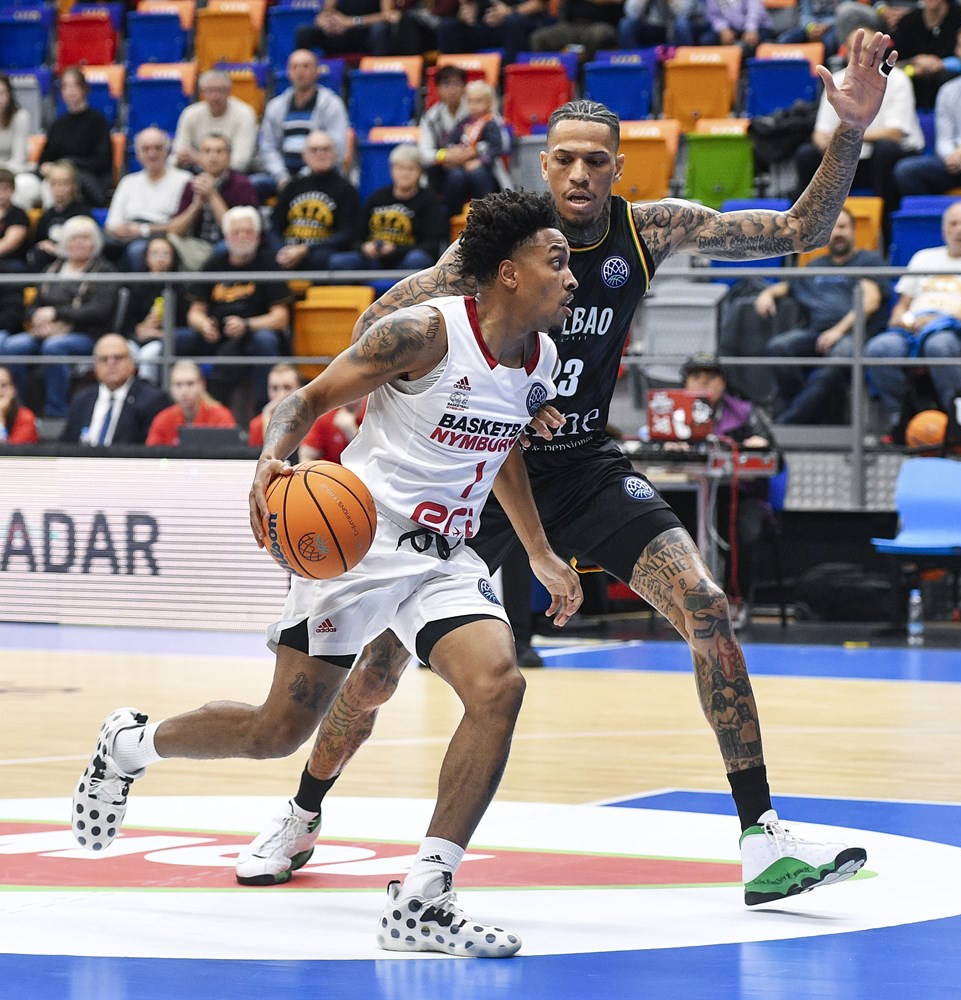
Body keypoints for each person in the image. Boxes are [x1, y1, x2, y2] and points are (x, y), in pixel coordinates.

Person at [236, 31, 892, 903]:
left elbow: (800, 228)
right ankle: (302, 812)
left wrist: (849, 130)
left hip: (583, 468)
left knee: (705, 604)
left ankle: (761, 838)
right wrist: (464, 397)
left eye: (596, 161)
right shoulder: (490, 257)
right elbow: (376, 327)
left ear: (620, 169)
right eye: (565, 160)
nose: (580, 174)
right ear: (543, 166)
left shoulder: (648, 230)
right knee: (379, 672)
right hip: (476, 483)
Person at [72, 189, 583, 958]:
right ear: (509, 272)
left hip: (442, 558)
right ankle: (131, 745)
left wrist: (538, 550)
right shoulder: (424, 332)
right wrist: (270, 460)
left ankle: (424, 898)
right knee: (275, 732)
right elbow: (307, 398)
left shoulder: (540, 358)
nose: (572, 277)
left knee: (498, 687)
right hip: (356, 544)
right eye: (557, 261)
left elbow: (503, 441)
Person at [865, 200, 961, 431]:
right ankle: (902, 418)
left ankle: (956, 422)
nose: (959, 229)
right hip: (913, 329)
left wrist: (940, 321)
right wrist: (900, 317)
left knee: (938, 344)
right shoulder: (923, 258)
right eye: (953, 224)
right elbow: (903, 303)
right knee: (879, 349)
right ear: (944, 230)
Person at [678, 352, 780, 625]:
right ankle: (681, 603)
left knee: (745, 531)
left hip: (738, 498)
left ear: (723, 382)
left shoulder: (745, 413)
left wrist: (758, 445)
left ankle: (737, 600)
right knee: (666, 529)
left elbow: (776, 458)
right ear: (685, 382)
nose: (703, 383)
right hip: (691, 497)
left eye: (711, 376)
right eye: (696, 376)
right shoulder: (672, 413)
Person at [762, 207, 890, 424]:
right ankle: (807, 413)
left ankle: (789, 423)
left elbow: (870, 301)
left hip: (854, 334)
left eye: (842, 227)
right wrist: (768, 293)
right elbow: (788, 287)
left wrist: (837, 331)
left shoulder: (868, 261)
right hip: (815, 333)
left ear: (853, 231)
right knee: (778, 348)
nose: (837, 233)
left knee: (836, 362)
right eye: (831, 228)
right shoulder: (816, 265)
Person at [795, 25, 924, 240]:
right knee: (806, 155)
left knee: (885, 150)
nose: (863, 54)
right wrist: (825, 142)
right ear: (846, 51)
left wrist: (845, 136)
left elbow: (895, 133)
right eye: (857, 48)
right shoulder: (836, 79)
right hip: (851, 160)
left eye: (869, 48)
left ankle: (887, 232)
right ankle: (806, 233)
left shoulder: (897, 79)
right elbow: (820, 133)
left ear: (879, 52)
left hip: (886, 158)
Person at [0, 215, 116, 419]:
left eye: (85, 238)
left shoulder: (104, 271)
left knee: (53, 347)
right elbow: (33, 305)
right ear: (65, 243)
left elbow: (99, 311)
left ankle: (56, 411)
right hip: (45, 331)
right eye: (74, 238)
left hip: (86, 333)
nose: (79, 243)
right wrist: (37, 319)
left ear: (95, 243)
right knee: (12, 346)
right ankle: (19, 409)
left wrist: (56, 313)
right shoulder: (53, 269)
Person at [893, 22, 961, 227]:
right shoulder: (948, 91)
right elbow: (944, 138)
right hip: (955, 161)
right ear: (957, 50)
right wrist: (951, 156)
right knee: (906, 171)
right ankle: (931, 230)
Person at [185, 206, 292, 410]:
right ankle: (181, 408)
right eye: (236, 232)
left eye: (248, 231)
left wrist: (247, 324)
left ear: (258, 236)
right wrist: (203, 324)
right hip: (216, 335)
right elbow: (194, 312)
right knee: (179, 339)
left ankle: (265, 409)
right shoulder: (214, 264)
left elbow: (280, 317)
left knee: (265, 340)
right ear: (226, 236)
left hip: (252, 335)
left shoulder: (269, 264)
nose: (242, 236)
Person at [327, 144, 446, 273]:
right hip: (374, 259)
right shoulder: (378, 197)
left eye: (411, 169)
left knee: (417, 259)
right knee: (339, 261)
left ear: (420, 172)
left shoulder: (428, 200)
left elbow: (432, 245)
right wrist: (364, 247)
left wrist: (395, 250)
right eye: (400, 168)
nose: (405, 173)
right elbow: (356, 235)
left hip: (405, 260)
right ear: (391, 170)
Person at [254, 49, 350, 201]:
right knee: (249, 186)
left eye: (306, 66)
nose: (300, 71)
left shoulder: (332, 104)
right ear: (288, 72)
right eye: (295, 67)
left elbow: (337, 147)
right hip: (281, 178)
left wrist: (302, 180)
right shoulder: (275, 106)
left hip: (320, 176)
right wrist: (282, 177)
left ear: (317, 71)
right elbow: (267, 147)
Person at [270, 130, 363, 272]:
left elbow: (346, 234)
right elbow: (275, 228)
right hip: (289, 249)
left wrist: (305, 249)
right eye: (314, 150)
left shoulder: (346, 190)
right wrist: (282, 250)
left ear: (335, 153)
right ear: (304, 156)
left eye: (326, 149)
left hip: (321, 253)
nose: (320, 154)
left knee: (326, 258)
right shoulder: (292, 186)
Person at [167, 133, 259, 271]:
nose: (213, 156)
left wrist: (213, 195)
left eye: (219, 151)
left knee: (224, 248)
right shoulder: (192, 184)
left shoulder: (242, 184)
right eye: (207, 151)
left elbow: (236, 230)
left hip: (230, 245)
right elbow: (174, 230)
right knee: (164, 244)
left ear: (229, 157)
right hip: (198, 246)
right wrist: (195, 206)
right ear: (199, 157)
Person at [103, 128, 192, 272]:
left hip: (166, 238)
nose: (152, 154)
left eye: (157, 148)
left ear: (167, 151)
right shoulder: (128, 181)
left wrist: (143, 230)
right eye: (146, 149)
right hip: (127, 236)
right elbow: (112, 223)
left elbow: (182, 225)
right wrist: (122, 229)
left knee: (138, 250)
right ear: (137, 154)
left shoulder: (184, 180)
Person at [59, 333, 171, 446]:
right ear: (95, 365)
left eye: (118, 358)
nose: (111, 364)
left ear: (131, 362)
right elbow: (66, 444)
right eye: (104, 359)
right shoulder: (81, 400)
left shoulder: (152, 400)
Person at [120, 237, 198, 383]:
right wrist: (139, 328)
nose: (160, 258)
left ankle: (149, 391)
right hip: (138, 338)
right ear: (146, 258)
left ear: (173, 258)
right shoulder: (136, 286)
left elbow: (184, 325)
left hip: (163, 340)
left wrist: (159, 333)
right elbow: (125, 323)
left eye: (165, 254)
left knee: (148, 355)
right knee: (124, 351)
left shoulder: (181, 288)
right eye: (155, 254)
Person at [247, 362, 360, 461]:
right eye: (274, 388)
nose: (281, 395)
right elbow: (259, 463)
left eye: (287, 387)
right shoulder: (257, 424)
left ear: (300, 389)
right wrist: (267, 420)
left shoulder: (318, 418)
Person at [37, 67, 113, 208]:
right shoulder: (58, 124)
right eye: (66, 86)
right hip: (56, 177)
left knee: (54, 185)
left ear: (84, 89)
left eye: (75, 86)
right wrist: (47, 167)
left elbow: (102, 161)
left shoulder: (98, 121)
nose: (71, 91)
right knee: (28, 183)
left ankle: (58, 217)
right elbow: (44, 159)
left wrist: (68, 164)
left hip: (88, 180)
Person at [885, 0, 961, 111]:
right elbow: (892, 65)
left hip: (956, 94)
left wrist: (942, 64)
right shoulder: (908, 22)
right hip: (913, 95)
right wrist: (913, 63)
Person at [440, 80, 511, 218]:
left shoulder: (491, 122)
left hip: (486, 169)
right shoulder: (465, 121)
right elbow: (450, 140)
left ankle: (485, 216)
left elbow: (497, 147)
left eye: (478, 101)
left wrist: (480, 161)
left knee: (477, 174)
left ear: (488, 103)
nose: (473, 106)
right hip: (462, 166)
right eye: (470, 101)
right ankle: (452, 217)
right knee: (454, 177)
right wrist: (453, 150)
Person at [172, 71, 258, 175]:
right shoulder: (190, 113)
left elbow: (240, 162)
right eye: (210, 91)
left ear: (229, 91)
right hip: (196, 172)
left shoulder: (244, 114)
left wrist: (198, 158)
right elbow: (179, 153)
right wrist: (182, 158)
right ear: (202, 93)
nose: (215, 96)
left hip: (234, 176)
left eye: (220, 90)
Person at [144, 359, 238, 446]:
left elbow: (230, 452)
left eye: (190, 384)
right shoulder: (163, 419)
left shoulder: (221, 416)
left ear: (202, 385)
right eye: (178, 384)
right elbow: (152, 453)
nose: (184, 391)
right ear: (170, 388)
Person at [24, 160, 91, 272]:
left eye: (65, 183)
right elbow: (37, 242)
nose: (60, 188)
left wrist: (58, 250)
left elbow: (88, 246)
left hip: (75, 265)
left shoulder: (82, 214)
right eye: (55, 183)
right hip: (48, 265)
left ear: (74, 185)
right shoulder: (47, 215)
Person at [437, 0, 553, 63]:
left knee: (513, 23)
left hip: (522, 24)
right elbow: (466, 5)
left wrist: (508, 12)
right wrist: (467, 13)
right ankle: (451, 78)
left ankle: (512, 80)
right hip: (486, 25)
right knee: (447, 27)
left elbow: (539, 4)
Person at [418, 64, 469, 202]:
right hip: (443, 169)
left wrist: (469, 155)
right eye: (446, 84)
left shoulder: (477, 109)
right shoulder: (431, 117)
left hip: (475, 164)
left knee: (478, 174)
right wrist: (445, 155)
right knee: (453, 176)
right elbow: (423, 153)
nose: (452, 89)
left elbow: (501, 142)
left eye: (457, 83)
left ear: (464, 87)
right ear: (438, 88)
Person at [529, 0, 623, 62]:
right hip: (573, 25)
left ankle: (589, 81)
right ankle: (547, 82)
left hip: (601, 24)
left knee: (595, 36)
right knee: (539, 38)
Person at [293, 0, 394, 57]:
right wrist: (324, 22)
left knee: (380, 28)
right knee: (304, 32)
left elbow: (387, 16)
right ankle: (303, 68)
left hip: (366, 34)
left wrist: (352, 22)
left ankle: (376, 74)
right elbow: (325, 12)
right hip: (340, 33)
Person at [0, 73, 40, 212]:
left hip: (15, 173)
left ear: (9, 95)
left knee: (25, 185)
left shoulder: (20, 117)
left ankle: (14, 222)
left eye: (1, 94)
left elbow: (19, 160)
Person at [698, 0, 772, 52]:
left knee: (753, 42)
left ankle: (750, 68)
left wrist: (751, 29)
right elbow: (713, 15)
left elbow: (754, 10)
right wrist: (723, 29)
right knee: (707, 40)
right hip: (730, 28)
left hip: (757, 26)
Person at [618, 0, 694, 49]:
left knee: (682, 24)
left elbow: (684, 13)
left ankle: (683, 62)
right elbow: (630, 12)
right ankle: (631, 62)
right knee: (626, 24)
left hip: (670, 29)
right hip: (645, 27)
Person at [0, 363, 38, 444]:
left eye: (3, 385)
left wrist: (0, 417)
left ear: (13, 390)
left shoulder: (25, 418)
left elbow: (8, 451)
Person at [0, 167, 29, 273]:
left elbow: (9, 244)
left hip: (12, 262)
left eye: (5, 188)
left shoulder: (19, 215)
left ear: (13, 190)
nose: (1, 194)